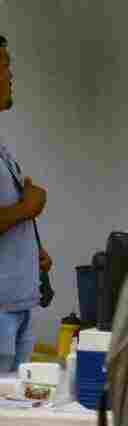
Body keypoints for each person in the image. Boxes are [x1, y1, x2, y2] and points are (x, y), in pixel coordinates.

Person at [0, 36, 51, 373]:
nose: (11, 74)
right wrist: (29, 207)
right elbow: (22, 208)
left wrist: (34, 252)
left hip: (16, 304)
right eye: (4, 65)